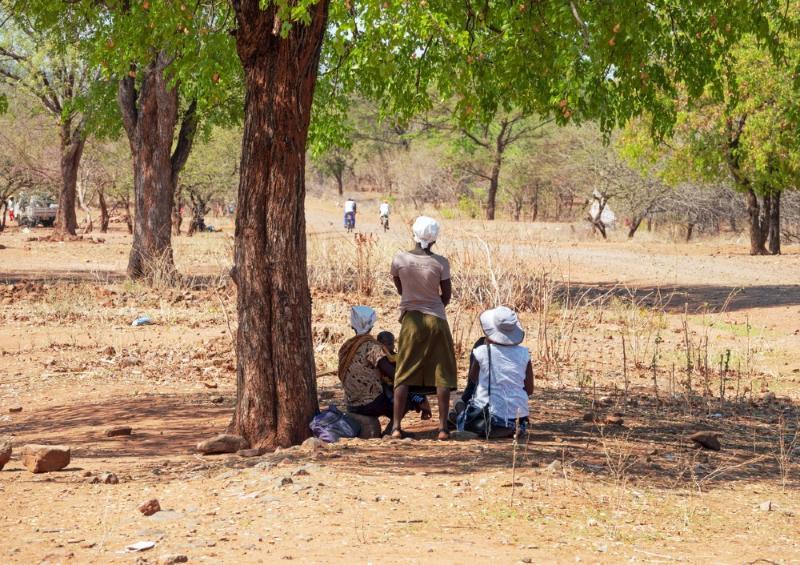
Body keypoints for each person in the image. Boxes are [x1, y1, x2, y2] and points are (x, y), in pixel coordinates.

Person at [390, 216, 457, 440]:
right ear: (435, 239)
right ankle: (443, 429)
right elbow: (446, 296)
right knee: (442, 372)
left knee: (404, 371)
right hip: (437, 320)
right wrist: (433, 304)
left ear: (414, 235)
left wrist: (414, 300)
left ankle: (396, 427)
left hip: (411, 321)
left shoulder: (399, 259)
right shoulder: (441, 263)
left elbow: (401, 287)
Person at [457, 306, 534, 438]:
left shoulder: (481, 351)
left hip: (485, 414)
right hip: (517, 416)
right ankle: (511, 427)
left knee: (458, 405)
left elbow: (473, 379)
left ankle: (473, 422)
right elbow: (529, 389)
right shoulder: (524, 354)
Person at [338, 306, 420, 427]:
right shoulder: (372, 347)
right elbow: (392, 373)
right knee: (406, 395)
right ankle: (394, 429)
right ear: (371, 326)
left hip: (351, 404)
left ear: (353, 326)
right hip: (370, 404)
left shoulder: (346, 347)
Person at [376, 331, 431, 420]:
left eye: (392, 343)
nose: (392, 346)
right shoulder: (380, 357)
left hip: (397, 383)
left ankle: (424, 406)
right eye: (389, 344)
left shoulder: (394, 356)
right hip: (387, 385)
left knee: (415, 392)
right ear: (380, 345)